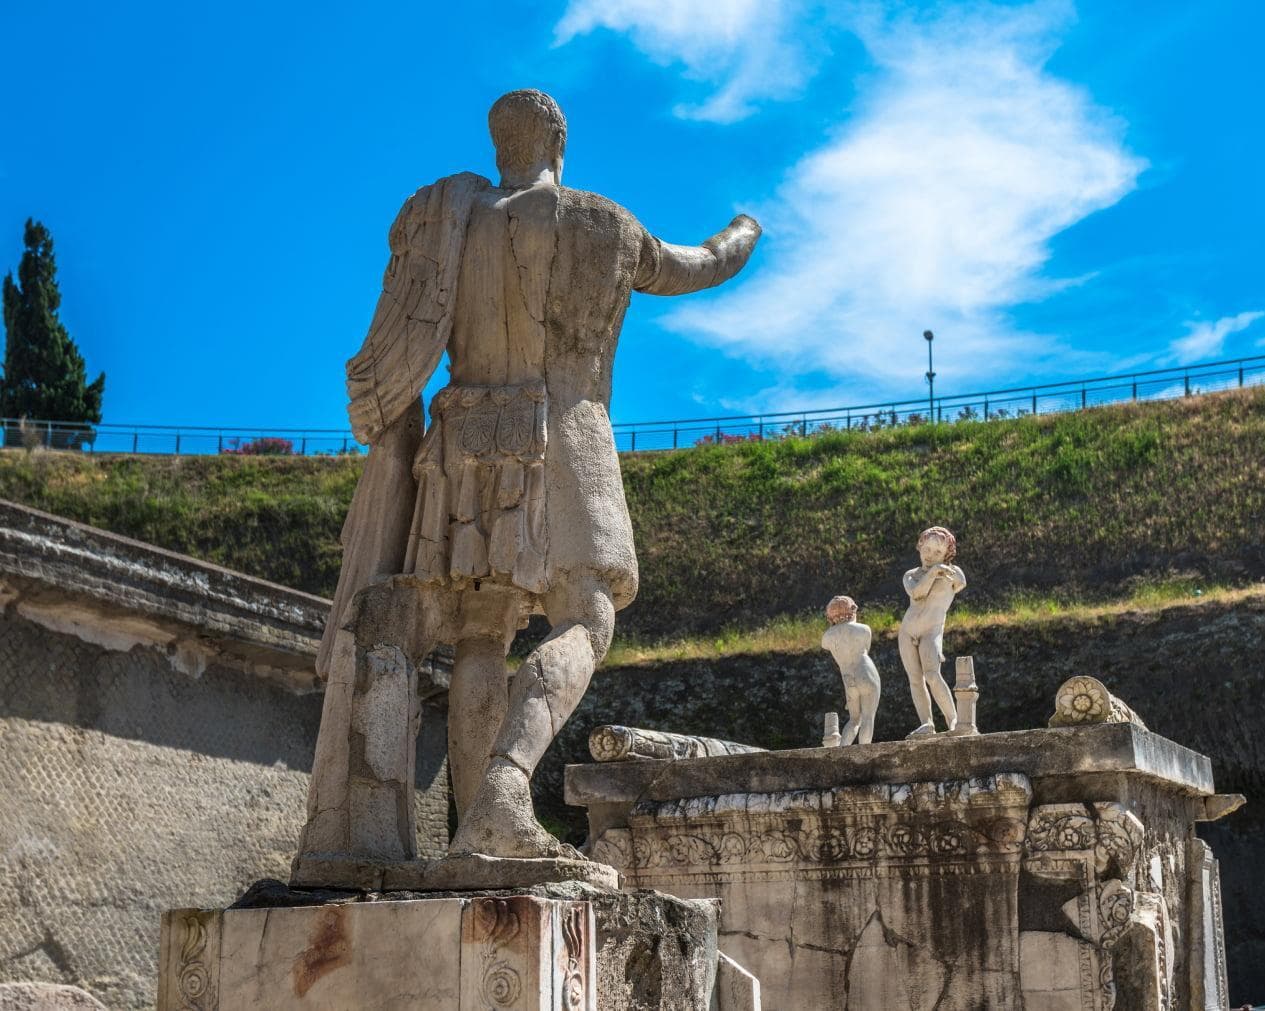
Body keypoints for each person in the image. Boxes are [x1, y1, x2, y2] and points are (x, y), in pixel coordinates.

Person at [298, 88, 761, 869]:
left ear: (498, 143)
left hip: (463, 436)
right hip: (564, 431)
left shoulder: (453, 221)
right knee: (586, 617)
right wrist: (745, 229)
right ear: (558, 139)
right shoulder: (602, 223)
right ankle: (505, 793)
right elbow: (701, 264)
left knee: (482, 635)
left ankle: (479, 837)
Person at [898, 526, 966, 737]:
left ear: (947, 554)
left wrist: (941, 571)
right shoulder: (911, 575)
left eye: (937, 552)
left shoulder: (954, 573)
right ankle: (926, 723)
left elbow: (961, 583)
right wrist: (934, 572)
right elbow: (918, 594)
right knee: (915, 679)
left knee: (932, 674)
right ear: (919, 548)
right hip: (907, 632)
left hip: (931, 631)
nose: (930, 556)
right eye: (926, 549)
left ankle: (953, 719)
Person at [821, 595, 880, 746]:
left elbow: (826, 645)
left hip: (847, 677)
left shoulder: (827, 637)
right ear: (852, 610)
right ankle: (864, 752)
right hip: (865, 671)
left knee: (854, 719)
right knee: (868, 717)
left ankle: (842, 752)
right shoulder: (863, 629)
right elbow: (867, 647)